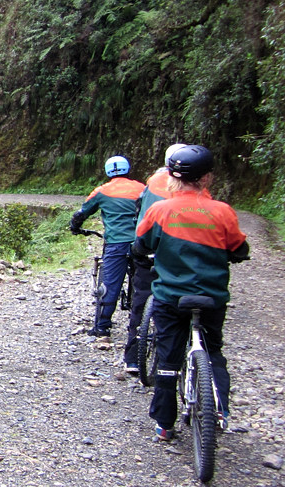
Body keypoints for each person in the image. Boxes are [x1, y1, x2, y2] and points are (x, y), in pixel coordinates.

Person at [134, 145, 249, 440]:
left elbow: (141, 246)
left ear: (171, 177)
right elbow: (239, 248)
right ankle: (219, 408)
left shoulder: (160, 210)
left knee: (168, 359)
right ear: (207, 178)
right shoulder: (223, 212)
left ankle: (164, 423)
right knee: (213, 353)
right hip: (211, 298)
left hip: (171, 298)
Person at [122, 143, 186, 373]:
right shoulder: (200, 191)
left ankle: (132, 357)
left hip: (149, 248)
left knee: (141, 298)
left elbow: (140, 213)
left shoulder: (154, 182)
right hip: (184, 257)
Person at [69, 156, 146, 337]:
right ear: (128, 169)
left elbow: (81, 213)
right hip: (141, 242)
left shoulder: (102, 191)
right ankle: (139, 326)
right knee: (143, 282)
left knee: (110, 284)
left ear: (107, 171)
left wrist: (75, 228)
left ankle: (102, 326)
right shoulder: (142, 188)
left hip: (116, 243)